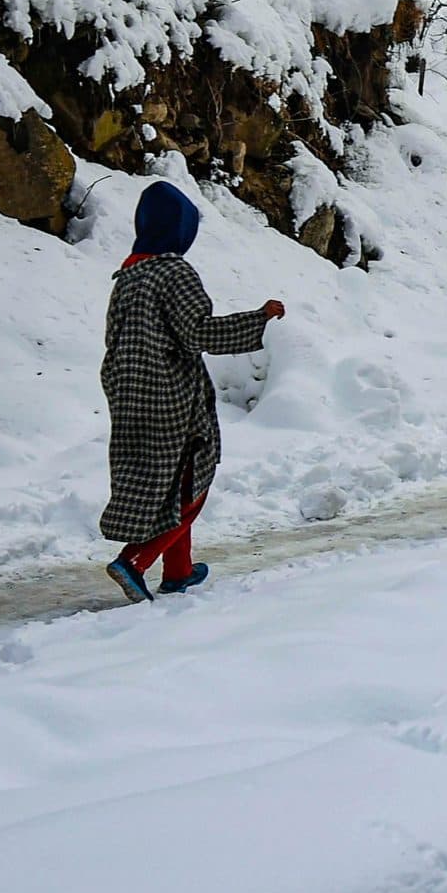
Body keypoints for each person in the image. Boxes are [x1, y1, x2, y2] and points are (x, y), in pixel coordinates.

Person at [99, 180, 284, 603]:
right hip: (168, 393)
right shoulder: (174, 272)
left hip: (127, 393)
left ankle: (179, 571)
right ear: (180, 232)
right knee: (192, 481)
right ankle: (135, 560)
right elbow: (198, 331)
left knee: (166, 481)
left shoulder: (127, 276)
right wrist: (258, 321)